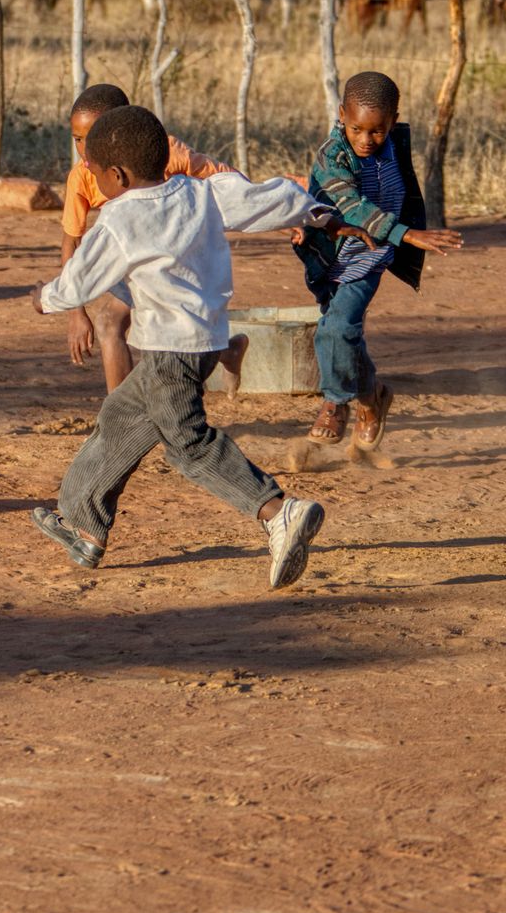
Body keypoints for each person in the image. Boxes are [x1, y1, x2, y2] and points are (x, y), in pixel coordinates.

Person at [27, 105, 372, 588]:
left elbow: (79, 280)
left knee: (188, 444)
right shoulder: (200, 192)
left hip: (170, 351)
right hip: (206, 340)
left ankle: (278, 511)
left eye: (95, 173)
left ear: (117, 175)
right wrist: (318, 215)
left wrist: (44, 298)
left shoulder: (120, 218)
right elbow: (266, 198)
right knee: (122, 416)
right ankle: (82, 520)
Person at [293, 71, 463, 451]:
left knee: (336, 329)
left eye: (377, 131)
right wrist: (408, 234)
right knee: (346, 334)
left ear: (393, 120)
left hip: (370, 256)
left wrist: (398, 237)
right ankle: (373, 399)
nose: (366, 140)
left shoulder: (394, 148)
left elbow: (397, 195)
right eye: (356, 129)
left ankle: (335, 404)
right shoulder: (331, 155)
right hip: (329, 256)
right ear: (342, 115)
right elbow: (353, 206)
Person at [57, 84, 231, 392]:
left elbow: (227, 180)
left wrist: (288, 218)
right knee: (114, 323)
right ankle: (225, 352)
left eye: (92, 136)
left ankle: (124, 422)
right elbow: (71, 241)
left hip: (182, 258)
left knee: (123, 324)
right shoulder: (82, 176)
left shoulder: (164, 152)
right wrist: (75, 312)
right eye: (77, 140)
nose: (84, 149)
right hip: (137, 263)